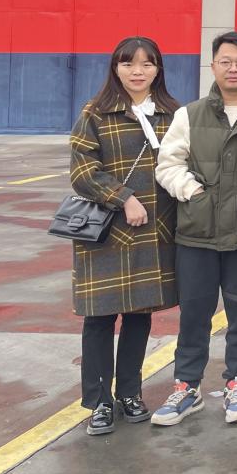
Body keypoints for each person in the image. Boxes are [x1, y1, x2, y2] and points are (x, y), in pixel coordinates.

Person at [152, 30, 237, 427]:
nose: (233, 68)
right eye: (225, 61)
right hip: (196, 235)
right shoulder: (189, 114)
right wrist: (194, 193)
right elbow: (168, 164)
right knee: (194, 315)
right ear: (214, 65)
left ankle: (236, 383)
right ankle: (187, 387)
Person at [68, 37, 180, 436]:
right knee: (99, 317)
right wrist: (124, 197)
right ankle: (99, 401)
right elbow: (82, 171)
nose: (138, 71)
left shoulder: (172, 114)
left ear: (158, 69)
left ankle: (130, 392)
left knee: (138, 315)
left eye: (147, 64)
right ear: (115, 68)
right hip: (107, 231)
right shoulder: (95, 113)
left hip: (154, 230)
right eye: (129, 63)